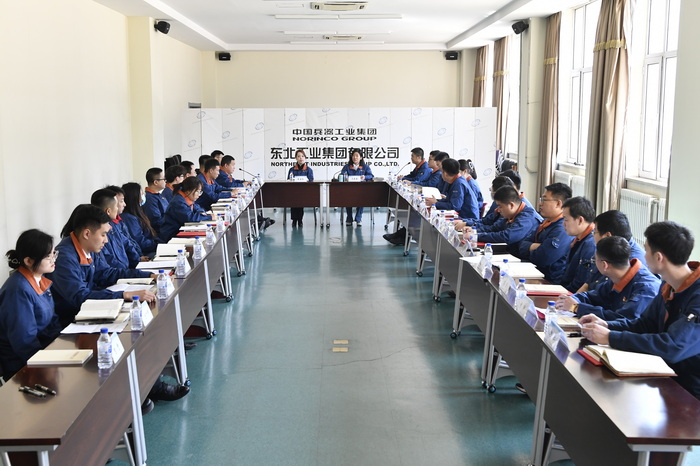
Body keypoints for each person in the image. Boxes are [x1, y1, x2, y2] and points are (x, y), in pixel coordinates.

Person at [580, 221, 700, 400]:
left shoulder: (696, 295)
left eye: (646, 250)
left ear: (658, 257)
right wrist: (607, 325)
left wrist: (610, 337)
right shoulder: (668, 285)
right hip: (663, 375)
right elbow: (645, 324)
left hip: (690, 390)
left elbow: (673, 346)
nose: (643, 256)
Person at [48, 205, 155, 327]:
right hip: (70, 321)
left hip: (90, 312)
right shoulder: (65, 258)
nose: (106, 240)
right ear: (87, 234)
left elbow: (107, 273)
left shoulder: (88, 247)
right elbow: (80, 296)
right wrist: (125, 295)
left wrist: (149, 275)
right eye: (103, 235)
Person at [0, 230, 62, 379]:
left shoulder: (40, 279)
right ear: (29, 261)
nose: (53, 260)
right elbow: (24, 341)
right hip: (22, 365)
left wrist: (61, 345)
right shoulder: (18, 290)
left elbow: (52, 320)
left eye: (54, 254)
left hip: (43, 351)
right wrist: (45, 365)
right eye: (48, 257)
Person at [556, 236, 660, 320]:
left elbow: (622, 319)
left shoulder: (646, 288)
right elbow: (592, 296)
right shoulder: (618, 276)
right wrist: (571, 300)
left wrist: (576, 308)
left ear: (604, 265)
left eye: (595, 260)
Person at [578, 210, 647, 293]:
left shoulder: (627, 260)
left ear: (607, 236)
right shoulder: (607, 249)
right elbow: (588, 285)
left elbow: (608, 295)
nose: (593, 236)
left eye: (594, 232)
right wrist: (573, 299)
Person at [518, 183, 572, 283]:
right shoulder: (546, 222)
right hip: (534, 274)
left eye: (544, 200)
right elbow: (522, 245)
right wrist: (538, 247)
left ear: (558, 203)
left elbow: (542, 258)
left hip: (550, 281)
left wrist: (533, 248)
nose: (540, 204)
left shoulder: (562, 228)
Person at [466, 186, 540, 256]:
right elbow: (494, 228)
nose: (498, 210)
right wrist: (474, 231)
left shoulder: (527, 217)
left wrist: (476, 236)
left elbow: (507, 236)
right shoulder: (512, 214)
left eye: (500, 206)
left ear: (511, 205)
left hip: (522, 258)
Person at [91, 188, 143, 270]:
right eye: (116, 206)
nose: (118, 208)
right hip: (119, 273)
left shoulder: (114, 226)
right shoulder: (97, 232)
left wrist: (138, 261)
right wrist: (127, 272)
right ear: (108, 211)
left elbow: (127, 243)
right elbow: (109, 261)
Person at [559, 197, 597, 292]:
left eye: (566, 219)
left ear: (580, 220)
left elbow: (579, 283)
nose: (563, 224)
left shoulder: (590, 244)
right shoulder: (578, 239)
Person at [159, 177, 213, 242]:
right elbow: (190, 218)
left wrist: (201, 212)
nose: (199, 195)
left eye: (200, 192)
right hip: (171, 235)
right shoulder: (178, 202)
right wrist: (209, 217)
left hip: (180, 231)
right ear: (188, 191)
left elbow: (198, 207)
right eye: (197, 192)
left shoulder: (187, 198)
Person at [121, 182, 162, 257]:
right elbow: (140, 241)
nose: (144, 195)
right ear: (134, 197)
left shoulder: (138, 212)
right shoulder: (129, 218)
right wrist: (157, 244)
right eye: (142, 194)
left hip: (150, 248)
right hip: (145, 253)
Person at [340, 148, 374, 226]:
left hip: (361, 191)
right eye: (353, 156)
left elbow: (371, 175)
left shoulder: (365, 167)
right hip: (349, 190)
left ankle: (358, 218)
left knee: (362, 198)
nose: (354, 157)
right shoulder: (347, 167)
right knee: (347, 199)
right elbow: (341, 175)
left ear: (361, 157)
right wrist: (344, 176)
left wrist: (365, 177)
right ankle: (349, 218)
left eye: (357, 156)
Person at [288, 149, 314, 227]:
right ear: (296, 158)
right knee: (293, 200)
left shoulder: (309, 170)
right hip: (293, 192)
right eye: (298, 156)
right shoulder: (292, 169)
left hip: (304, 192)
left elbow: (311, 180)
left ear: (305, 158)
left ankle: (300, 220)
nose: (301, 158)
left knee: (300, 201)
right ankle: (294, 220)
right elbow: (289, 180)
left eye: (302, 156)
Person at [143, 167, 170, 236]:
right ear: (155, 182)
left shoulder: (160, 195)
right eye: (163, 179)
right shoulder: (149, 199)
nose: (165, 181)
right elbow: (156, 221)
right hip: (161, 233)